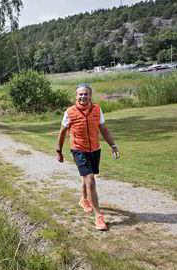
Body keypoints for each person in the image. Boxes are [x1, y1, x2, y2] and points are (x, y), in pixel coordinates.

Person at [56, 83, 120, 231]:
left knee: (88, 177)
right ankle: (98, 217)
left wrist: (113, 145)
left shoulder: (97, 109)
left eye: (86, 94)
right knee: (90, 179)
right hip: (79, 150)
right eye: (80, 94)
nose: (83, 96)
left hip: (95, 150)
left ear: (91, 96)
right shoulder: (70, 112)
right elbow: (62, 133)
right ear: (76, 96)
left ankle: (83, 199)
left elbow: (103, 129)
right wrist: (59, 151)